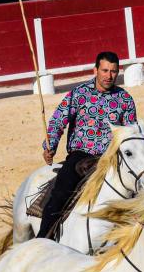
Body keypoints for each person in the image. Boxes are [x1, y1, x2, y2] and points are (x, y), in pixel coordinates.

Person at [37, 51, 138, 240]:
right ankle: (42, 240)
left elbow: (131, 134)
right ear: (96, 70)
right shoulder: (79, 94)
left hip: (111, 158)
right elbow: (58, 120)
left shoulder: (125, 100)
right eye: (105, 70)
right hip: (81, 157)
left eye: (113, 71)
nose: (109, 76)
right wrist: (50, 145)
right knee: (60, 193)